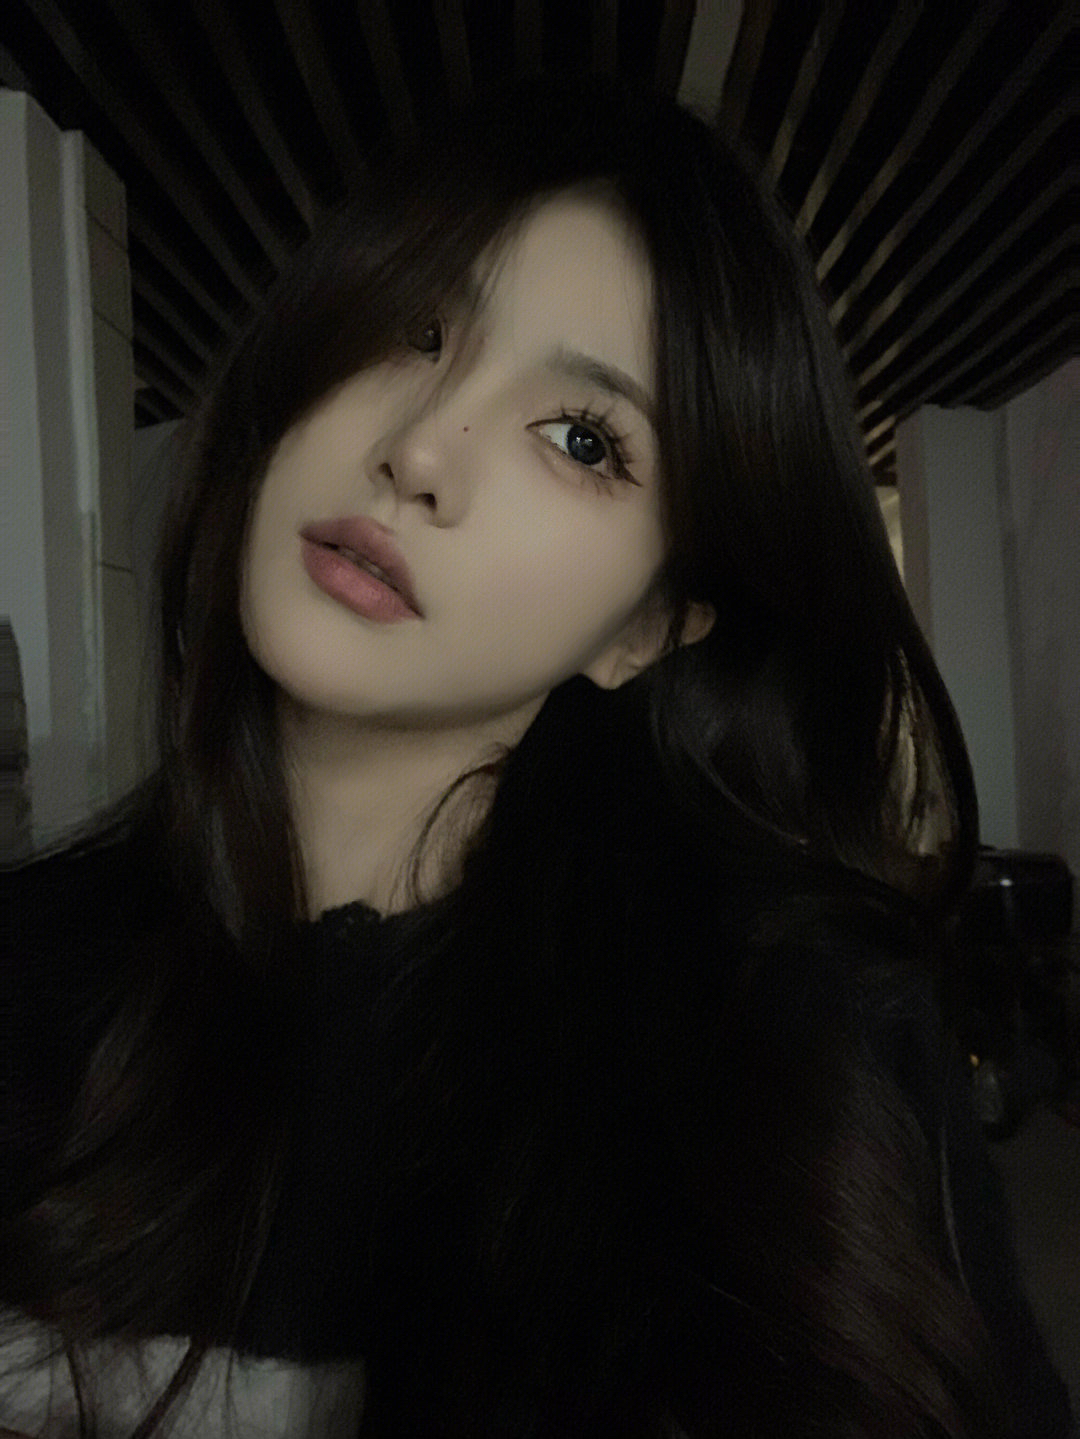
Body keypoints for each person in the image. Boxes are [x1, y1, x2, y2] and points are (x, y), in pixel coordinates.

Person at [1, 70, 1074, 1439]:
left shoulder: (801, 1042)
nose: (419, 453)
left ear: (649, 626)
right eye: (414, 329)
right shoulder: (26, 976)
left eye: (581, 439)